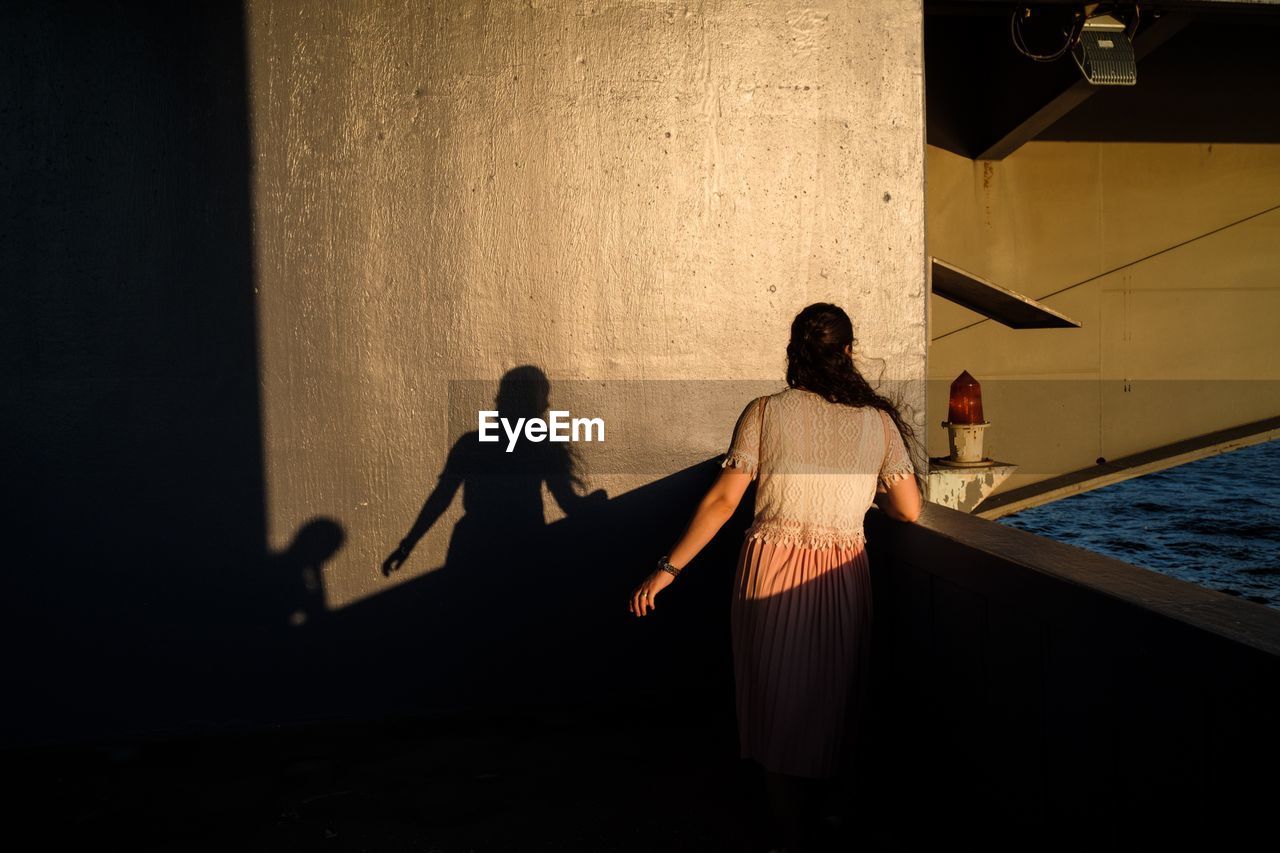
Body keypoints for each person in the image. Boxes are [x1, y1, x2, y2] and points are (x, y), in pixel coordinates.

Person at [628, 302, 923, 852]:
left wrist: (667, 570)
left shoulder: (764, 411)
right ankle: (838, 817)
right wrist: (863, 492)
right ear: (849, 353)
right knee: (839, 697)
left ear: (794, 352)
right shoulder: (878, 423)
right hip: (840, 570)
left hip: (770, 567)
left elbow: (721, 501)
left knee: (778, 702)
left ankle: (789, 836)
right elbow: (908, 510)